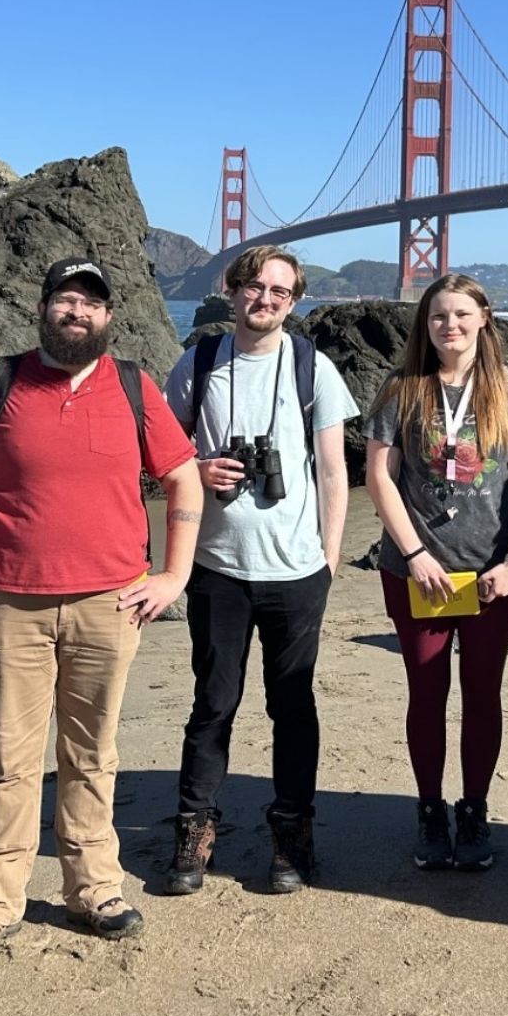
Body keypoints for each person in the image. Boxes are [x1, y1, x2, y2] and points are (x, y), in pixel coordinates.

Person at [0, 257, 202, 960]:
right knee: (9, 760)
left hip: (110, 605)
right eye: (66, 300)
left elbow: (183, 479)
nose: (78, 312)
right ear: (44, 307)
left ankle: (94, 889)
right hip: (9, 603)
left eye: (92, 304)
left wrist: (173, 575)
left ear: (109, 317)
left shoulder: (134, 386)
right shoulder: (0, 379)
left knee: (91, 755)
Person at [160, 245, 357, 895]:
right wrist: (197, 469)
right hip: (218, 568)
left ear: (293, 301)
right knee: (213, 705)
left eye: (278, 291)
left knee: (292, 708)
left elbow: (334, 472)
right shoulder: (201, 362)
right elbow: (163, 456)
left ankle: (292, 838)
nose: (264, 299)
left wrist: (328, 562)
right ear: (232, 289)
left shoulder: (312, 367)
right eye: (253, 287)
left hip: (296, 573)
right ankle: (194, 831)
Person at [364, 273, 508, 871]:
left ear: (485, 318)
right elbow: (379, 478)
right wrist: (415, 555)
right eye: (439, 316)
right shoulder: (402, 389)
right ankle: (428, 811)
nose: (450, 326)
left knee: (482, 694)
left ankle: (473, 809)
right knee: (426, 692)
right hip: (418, 573)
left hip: (491, 574)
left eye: (461, 315)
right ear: (426, 324)